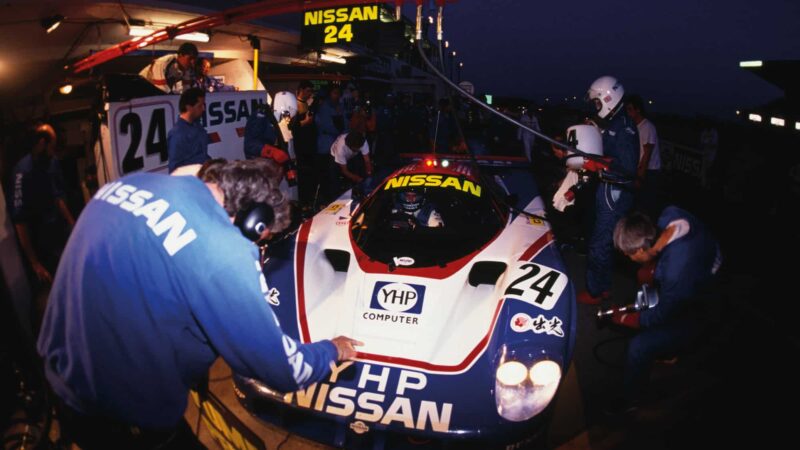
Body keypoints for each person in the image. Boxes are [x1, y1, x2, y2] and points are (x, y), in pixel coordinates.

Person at [37, 159, 362, 449]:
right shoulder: (224, 250)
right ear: (253, 221)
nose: (256, 248)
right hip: (119, 409)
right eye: (259, 241)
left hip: (57, 373)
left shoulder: (126, 184)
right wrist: (333, 349)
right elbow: (282, 369)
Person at [610, 207, 721, 411]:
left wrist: (629, 319)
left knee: (639, 346)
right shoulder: (669, 214)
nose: (628, 259)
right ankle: (671, 352)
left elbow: (662, 314)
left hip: (702, 304)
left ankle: (632, 400)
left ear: (641, 250)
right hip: (706, 263)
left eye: (629, 255)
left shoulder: (676, 273)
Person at [577, 76, 640, 305]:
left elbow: (627, 169)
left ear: (607, 98)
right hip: (608, 190)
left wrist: (599, 165)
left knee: (599, 243)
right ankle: (603, 288)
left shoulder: (623, 127)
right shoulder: (616, 123)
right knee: (603, 241)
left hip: (615, 193)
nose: (595, 107)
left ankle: (596, 291)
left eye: (597, 102)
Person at [11, 124, 75, 286]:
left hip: (59, 230)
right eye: (51, 147)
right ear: (41, 144)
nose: (54, 151)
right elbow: (20, 221)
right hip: (41, 241)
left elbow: (57, 197)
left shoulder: (51, 162)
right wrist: (34, 263)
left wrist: (72, 225)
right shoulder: (22, 172)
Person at [625, 94, 663, 219]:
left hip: (649, 172)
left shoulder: (648, 127)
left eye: (630, 109)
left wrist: (639, 177)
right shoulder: (632, 127)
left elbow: (647, 155)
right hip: (638, 169)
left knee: (646, 207)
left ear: (638, 110)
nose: (628, 112)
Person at [167, 87, 210, 173]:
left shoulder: (198, 127)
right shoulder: (177, 134)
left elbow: (202, 155)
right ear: (189, 107)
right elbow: (175, 170)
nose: (203, 109)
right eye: (200, 106)